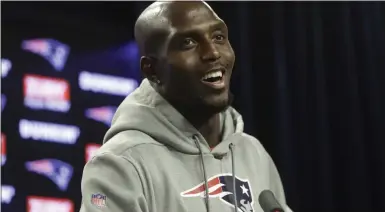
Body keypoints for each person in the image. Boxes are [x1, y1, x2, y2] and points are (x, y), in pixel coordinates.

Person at [79, 1, 293, 212]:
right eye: (188, 43)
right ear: (152, 70)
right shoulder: (120, 163)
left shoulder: (252, 153)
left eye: (218, 37)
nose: (213, 52)